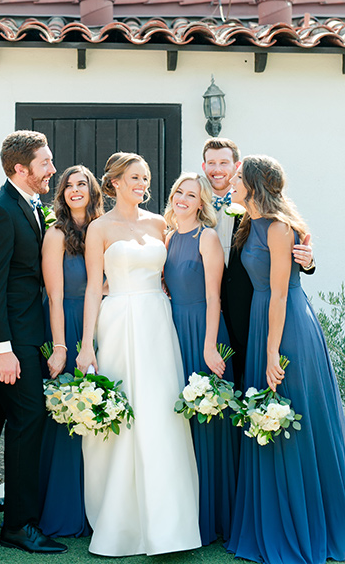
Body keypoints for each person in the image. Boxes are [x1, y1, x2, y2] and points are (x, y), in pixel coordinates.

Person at [77, 152, 201, 557]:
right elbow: (94, 287)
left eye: (146, 178)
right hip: (116, 323)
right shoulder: (99, 228)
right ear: (114, 182)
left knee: (161, 412)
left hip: (157, 323)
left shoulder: (159, 223)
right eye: (134, 177)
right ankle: (120, 523)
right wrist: (85, 344)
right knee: (123, 412)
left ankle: (169, 525)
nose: (142, 184)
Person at [227, 155, 345, 564]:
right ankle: (272, 518)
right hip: (263, 321)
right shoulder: (247, 224)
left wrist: (272, 350)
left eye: (238, 177)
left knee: (291, 413)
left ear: (253, 184)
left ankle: (304, 521)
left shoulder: (279, 228)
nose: (231, 182)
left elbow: (279, 292)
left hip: (286, 327)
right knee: (269, 415)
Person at [0, 130, 66, 555]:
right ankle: (19, 525)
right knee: (29, 421)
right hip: (14, 339)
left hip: (29, 333)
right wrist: (2, 350)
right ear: (20, 168)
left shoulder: (28, 205)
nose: (52, 168)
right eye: (45, 163)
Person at [163, 173, 239, 546]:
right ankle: (186, 514)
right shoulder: (167, 236)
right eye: (179, 191)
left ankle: (215, 518)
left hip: (204, 330)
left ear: (201, 202)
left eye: (191, 195)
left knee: (208, 422)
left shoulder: (206, 238)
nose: (183, 198)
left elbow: (214, 298)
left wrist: (210, 346)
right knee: (182, 424)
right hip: (173, 331)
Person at [201, 138, 314, 384]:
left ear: (253, 183)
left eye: (236, 174)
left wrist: (307, 261)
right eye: (211, 162)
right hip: (232, 312)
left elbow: (283, 281)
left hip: (267, 310)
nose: (228, 177)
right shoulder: (244, 217)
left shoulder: (274, 224)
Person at [39, 165, 103, 537]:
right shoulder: (56, 235)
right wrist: (62, 346)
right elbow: (55, 295)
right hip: (69, 325)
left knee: (101, 410)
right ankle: (66, 509)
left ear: (93, 191)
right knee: (70, 415)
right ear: (61, 194)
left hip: (104, 326)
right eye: (68, 186)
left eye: (82, 185)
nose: (75, 190)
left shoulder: (105, 228)